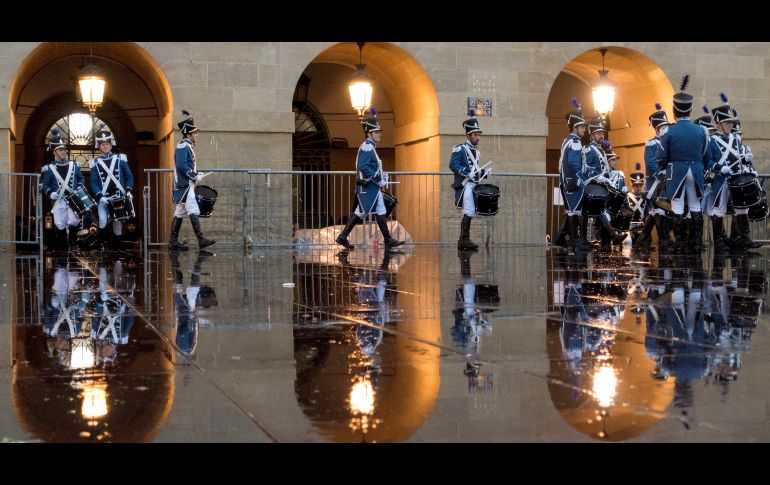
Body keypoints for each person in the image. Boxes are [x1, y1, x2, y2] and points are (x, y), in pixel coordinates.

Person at [335, 108, 404, 251]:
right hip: (368, 186)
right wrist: (378, 179)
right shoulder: (367, 147)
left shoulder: (371, 147)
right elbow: (363, 167)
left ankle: (387, 239)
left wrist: (381, 177)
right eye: (376, 132)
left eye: (379, 132)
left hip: (372, 187)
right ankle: (343, 236)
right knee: (363, 212)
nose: (379, 134)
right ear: (369, 133)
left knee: (380, 210)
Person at [656, 75, 711, 253]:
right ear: (690, 110)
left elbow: (661, 156)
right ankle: (696, 243)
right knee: (695, 206)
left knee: (678, 206)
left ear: (674, 110)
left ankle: (680, 243)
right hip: (695, 169)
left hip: (677, 170)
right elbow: (706, 154)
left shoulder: (668, 131)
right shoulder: (701, 130)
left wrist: (665, 166)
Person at [703, 94, 747, 252]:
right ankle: (717, 241)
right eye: (728, 122)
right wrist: (719, 168)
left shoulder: (735, 139)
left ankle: (745, 239)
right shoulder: (712, 141)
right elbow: (707, 162)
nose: (731, 125)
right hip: (721, 181)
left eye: (731, 122)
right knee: (719, 210)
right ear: (719, 124)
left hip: (736, 179)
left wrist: (746, 158)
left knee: (741, 208)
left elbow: (739, 158)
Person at [169, 110, 215, 251]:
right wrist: (194, 176)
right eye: (195, 133)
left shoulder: (187, 145)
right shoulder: (183, 146)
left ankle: (173, 241)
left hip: (186, 184)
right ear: (188, 134)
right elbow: (182, 166)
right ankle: (200, 239)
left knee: (180, 212)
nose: (197, 135)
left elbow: (186, 166)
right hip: (184, 185)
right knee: (193, 210)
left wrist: (196, 173)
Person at [447, 110, 491, 251]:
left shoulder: (477, 152)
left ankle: (463, 240)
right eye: (475, 135)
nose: (477, 137)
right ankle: (464, 240)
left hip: (473, 185)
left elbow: (475, 171)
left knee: (470, 211)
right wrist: (466, 173)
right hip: (465, 185)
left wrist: (484, 173)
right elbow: (453, 165)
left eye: (478, 134)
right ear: (468, 135)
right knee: (468, 211)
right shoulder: (460, 149)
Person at [89, 125, 135, 250]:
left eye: (107, 144)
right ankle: (104, 246)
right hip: (104, 199)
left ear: (111, 145)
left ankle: (117, 250)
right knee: (103, 221)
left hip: (118, 198)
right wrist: (99, 195)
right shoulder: (95, 163)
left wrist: (129, 190)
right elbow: (93, 182)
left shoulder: (120, 158)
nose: (105, 146)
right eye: (102, 144)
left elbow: (129, 176)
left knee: (118, 226)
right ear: (99, 146)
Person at [41, 129, 86, 250]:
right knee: (59, 224)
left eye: (64, 149)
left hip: (73, 198)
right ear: (54, 151)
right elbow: (45, 185)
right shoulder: (49, 168)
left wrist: (80, 186)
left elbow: (81, 179)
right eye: (60, 150)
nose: (64, 152)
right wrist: (51, 193)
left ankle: (71, 242)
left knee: (75, 221)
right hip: (59, 200)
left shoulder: (74, 165)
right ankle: (63, 247)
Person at [637, 103, 672, 250]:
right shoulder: (651, 144)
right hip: (656, 183)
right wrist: (660, 172)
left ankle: (643, 237)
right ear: (657, 128)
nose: (666, 128)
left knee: (657, 211)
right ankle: (664, 239)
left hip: (667, 182)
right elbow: (650, 163)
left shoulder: (669, 142)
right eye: (664, 126)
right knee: (659, 210)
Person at [559, 99, 593, 251]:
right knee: (573, 211)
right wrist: (583, 178)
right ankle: (573, 239)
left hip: (568, 181)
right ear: (575, 127)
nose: (584, 130)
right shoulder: (574, 142)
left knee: (572, 210)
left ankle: (562, 238)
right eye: (582, 127)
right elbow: (573, 162)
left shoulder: (569, 140)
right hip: (572, 181)